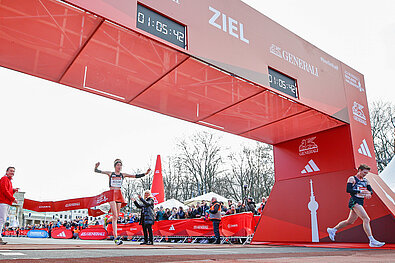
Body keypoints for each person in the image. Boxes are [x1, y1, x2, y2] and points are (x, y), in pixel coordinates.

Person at [327, 164, 385, 247]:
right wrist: (361, 192)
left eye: (367, 173)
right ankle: (372, 240)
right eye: (364, 172)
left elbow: (370, 191)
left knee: (349, 221)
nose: (365, 174)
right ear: (360, 170)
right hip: (354, 201)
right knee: (366, 218)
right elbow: (348, 190)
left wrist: (369, 193)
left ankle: (333, 230)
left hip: (361, 201)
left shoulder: (366, 181)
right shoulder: (352, 179)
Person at [94, 159, 151, 245]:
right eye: (118, 165)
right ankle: (116, 238)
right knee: (115, 215)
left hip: (119, 195)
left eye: (121, 165)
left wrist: (145, 173)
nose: (119, 167)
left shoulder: (123, 175)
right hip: (112, 194)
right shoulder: (110, 173)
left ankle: (107, 219)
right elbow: (97, 171)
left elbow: (134, 176)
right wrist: (96, 167)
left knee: (116, 217)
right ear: (115, 166)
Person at [0, 167, 19, 245]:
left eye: (13, 171)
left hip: (5, 202)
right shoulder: (4, 178)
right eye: (11, 171)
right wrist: (13, 198)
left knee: (2, 219)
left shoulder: (8, 180)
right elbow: (4, 190)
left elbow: (7, 191)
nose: (12, 172)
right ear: (6, 171)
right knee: (2, 219)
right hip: (3, 202)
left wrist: (13, 190)